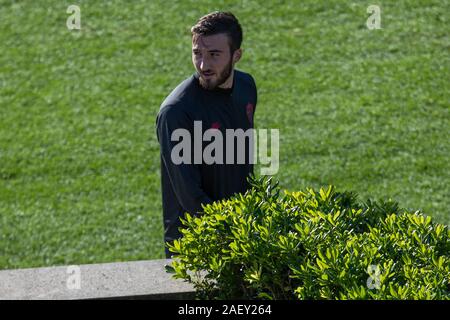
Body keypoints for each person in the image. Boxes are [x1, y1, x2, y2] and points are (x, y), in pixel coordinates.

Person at [156, 11, 258, 258]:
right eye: (197, 54)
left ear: (237, 55)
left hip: (240, 237)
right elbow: (190, 196)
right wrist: (231, 233)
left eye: (214, 55)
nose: (203, 65)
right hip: (195, 247)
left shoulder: (246, 88)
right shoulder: (177, 112)